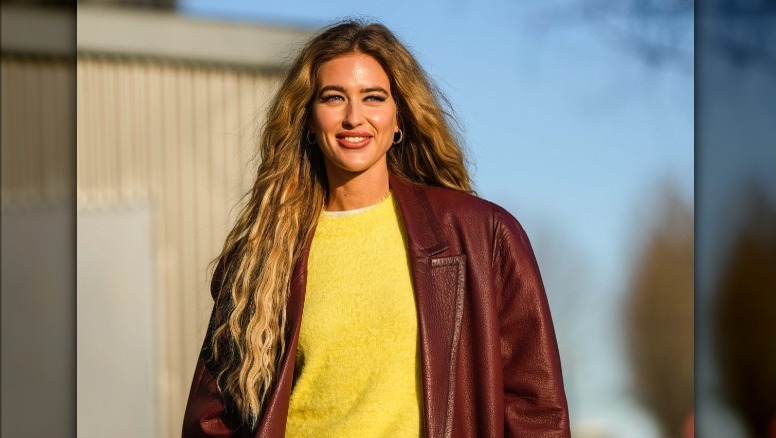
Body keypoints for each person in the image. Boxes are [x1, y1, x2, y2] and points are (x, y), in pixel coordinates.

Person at [182, 20, 570, 437]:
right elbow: (211, 421)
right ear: (309, 120)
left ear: (397, 116)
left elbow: (537, 411)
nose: (354, 117)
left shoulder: (481, 236)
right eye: (334, 98)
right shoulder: (261, 258)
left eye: (373, 97)